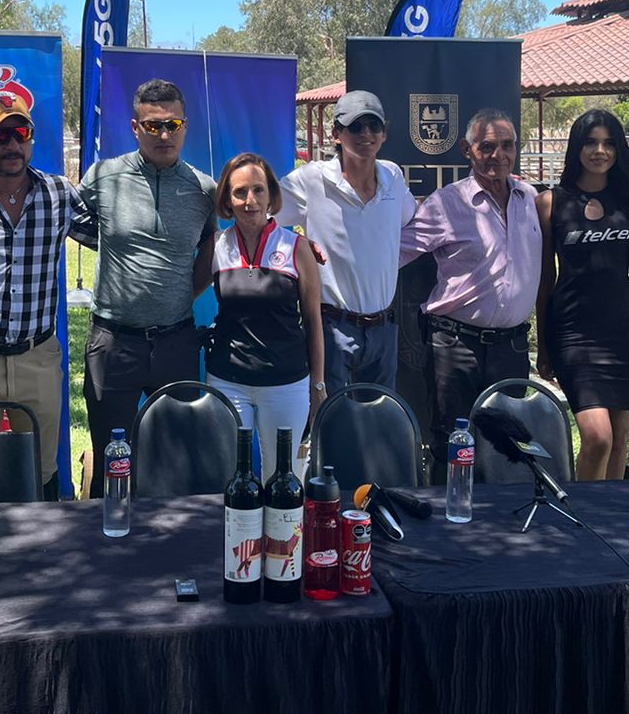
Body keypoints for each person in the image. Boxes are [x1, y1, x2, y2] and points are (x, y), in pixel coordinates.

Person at [0, 93, 93, 500]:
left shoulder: (59, 195)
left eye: (21, 133)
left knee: (41, 470)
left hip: (38, 358)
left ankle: (41, 557)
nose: (12, 145)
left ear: (31, 139)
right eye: (0, 135)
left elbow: (113, 238)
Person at [74, 79, 216, 496]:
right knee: (109, 455)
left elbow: (211, 247)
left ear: (185, 126)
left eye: (173, 124)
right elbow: (77, 225)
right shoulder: (102, 177)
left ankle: (170, 549)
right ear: (135, 127)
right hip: (113, 343)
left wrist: (175, 298)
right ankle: (105, 544)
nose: (164, 134)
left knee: (176, 454)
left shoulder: (204, 190)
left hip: (176, 342)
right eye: (153, 126)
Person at [399, 108, 542, 475]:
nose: (499, 155)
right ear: (467, 149)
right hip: (455, 344)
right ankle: (449, 526)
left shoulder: (530, 198)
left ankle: (501, 525)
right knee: (452, 443)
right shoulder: (446, 203)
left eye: (507, 145)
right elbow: (393, 252)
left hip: (510, 346)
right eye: (488, 146)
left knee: (508, 444)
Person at [535, 110, 629, 480]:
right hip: (573, 333)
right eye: (590, 142)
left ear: (619, 149)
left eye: (608, 143)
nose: (599, 151)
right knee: (598, 438)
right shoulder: (550, 202)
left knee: (621, 438)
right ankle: (583, 521)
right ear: (576, 147)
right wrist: (543, 345)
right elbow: (546, 279)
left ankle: (612, 525)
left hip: (626, 331)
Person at [279, 91, 416, 393]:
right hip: (332, 329)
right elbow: (262, 215)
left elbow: (408, 219)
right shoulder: (311, 179)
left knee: (379, 426)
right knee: (333, 427)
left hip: (384, 329)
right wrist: (297, 244)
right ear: (337, 133)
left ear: (384, 134)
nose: (366, 134)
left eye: (374, 125)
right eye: (356, 126)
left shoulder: (393, 176)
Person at [206, 153, 326, 451]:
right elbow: (182, 297)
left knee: (286, 481)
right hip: (227, 380)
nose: (251, 200)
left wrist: (318, 384)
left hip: (287, 383)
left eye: (259, 190)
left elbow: (313, 320)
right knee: (232, 478)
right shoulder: (216, 246)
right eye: (240, 192)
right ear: (227, 200)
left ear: (272, 194)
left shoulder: (297, 248)